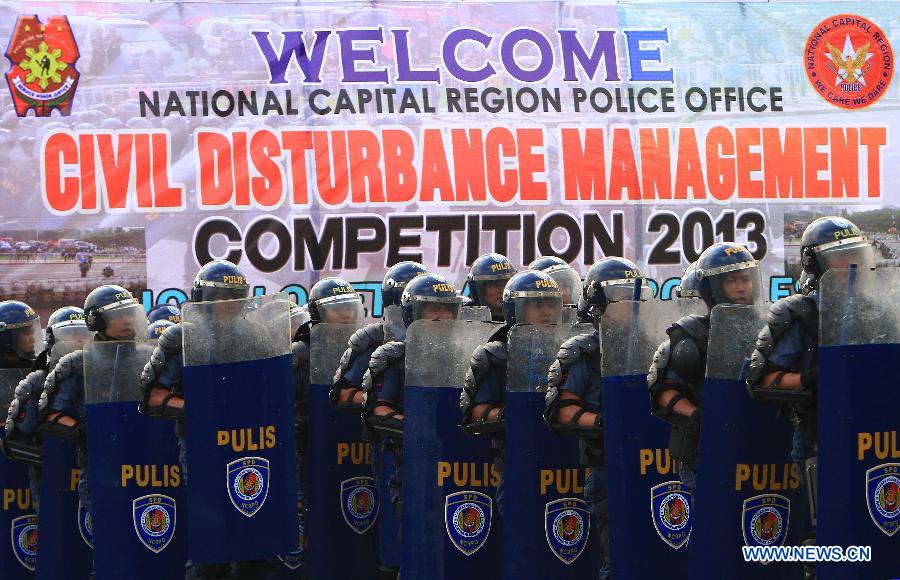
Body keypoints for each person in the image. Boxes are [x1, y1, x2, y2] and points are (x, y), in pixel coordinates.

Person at [746, 217, 875, 576]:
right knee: (832, 532)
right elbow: (761, 378)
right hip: (821, 436)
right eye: (839, 256)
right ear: (814, 263)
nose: (850, 264)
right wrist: (812, 378)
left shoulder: (875, 307)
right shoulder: (798, 312)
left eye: (855, 254)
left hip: (875, 437)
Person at [139, 260, 252, 579]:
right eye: (219, 298)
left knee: (255, 538)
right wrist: (202, 410)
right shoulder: (180, 337)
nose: (228, 306)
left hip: (252, 446)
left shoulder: (256, 333)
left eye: (235, 297)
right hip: (202, 448)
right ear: (202, 299)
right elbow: (153, 397)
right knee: (210, 540)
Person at [544, 257, 653, 580]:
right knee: (617, 556)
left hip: (654, 468)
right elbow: (559, 410)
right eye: (620, 297)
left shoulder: (653, 345)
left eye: (634, 296)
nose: (629, 305)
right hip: (608, 467)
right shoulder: (583, 351)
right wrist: (609, 424)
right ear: (597, 303)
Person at [38, 285, 147, 560]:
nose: (127, 320)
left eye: (129, 313)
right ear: (96, 321)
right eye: (117, 315)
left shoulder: (149, 357)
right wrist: (86, 431)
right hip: (102, 471)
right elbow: (50, 415)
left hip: (151, 467)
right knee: (113, 553)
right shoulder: (77, 364)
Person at [647, 243, 760, 494]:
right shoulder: (690, 336)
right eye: (732, 281)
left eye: (745, 279)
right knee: (709, 526)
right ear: (712, 288)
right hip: (704, 450)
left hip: (760, 446)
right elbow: (664, 391)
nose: (742, 287)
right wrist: (699, 416)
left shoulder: (766, 330)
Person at [361, 273, 463, 549]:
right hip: (414, 466)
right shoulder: (395, 357)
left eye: (447, 309)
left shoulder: (466, 355)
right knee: (419, 551)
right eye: (433, 309)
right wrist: (419, 427)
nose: (442, 317)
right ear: (413, 315)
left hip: (462, 469)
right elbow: (377, 411)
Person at [460, 269, 563, 515]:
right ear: (515, 310)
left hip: (566, 463)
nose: (546, 311)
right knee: (521, 534)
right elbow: (475, 411)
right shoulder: (495, 355)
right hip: (518, 460)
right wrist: (514, 416)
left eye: (550, 304)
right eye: (536, 305)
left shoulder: (568, 349)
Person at [331, 261, 428, 410]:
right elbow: (342, 396)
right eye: (411, 295)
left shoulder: (440, 344)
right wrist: (379, 400)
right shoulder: (376, 340)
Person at [466, 253, 517, 322]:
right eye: (495, 285)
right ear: (478, 290)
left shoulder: (524, 317)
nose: (503, 290)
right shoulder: (461, 319)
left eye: (507, 284)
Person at [0, 300, 40, 369]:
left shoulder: (36, 365)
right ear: (7, 338)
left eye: (32, 333)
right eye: (27, 333)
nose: (33, 340)